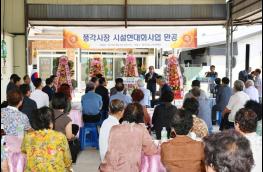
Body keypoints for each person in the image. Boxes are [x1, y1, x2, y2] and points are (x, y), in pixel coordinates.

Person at [99, 103, 158, 172]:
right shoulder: (141, 129)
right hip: (130, 168)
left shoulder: (114, 129)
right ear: (141, 116)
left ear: (125, 113)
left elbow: (111, 152)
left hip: (110, 168)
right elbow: (151, 150)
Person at [21, 107, 72, 171]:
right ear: (50, 122)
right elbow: (67, 158)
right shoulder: (60, 136)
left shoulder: (28, 136)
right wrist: (69, 168)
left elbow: (23, 151)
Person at [51, 93, 79, 163]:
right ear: (65, 104)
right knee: (75, 139)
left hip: (48, 142)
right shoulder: (66, 119)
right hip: (60, 146)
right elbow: (69, 137)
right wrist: (73, 135)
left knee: (74, 127)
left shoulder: (48, 114)